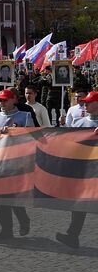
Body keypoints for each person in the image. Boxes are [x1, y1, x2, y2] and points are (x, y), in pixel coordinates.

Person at [0, 88, 32, 241]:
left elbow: (32, 137)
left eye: (5, 100)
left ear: (14, 100)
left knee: (13, 198)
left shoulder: (25, 116)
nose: (2, 102)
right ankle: (6, 229)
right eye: (0, 100)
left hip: (16, 163)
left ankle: (23, 219)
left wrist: (14, 132)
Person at [55, 91, 98, 247]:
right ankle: (72, 236)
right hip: (84, 171)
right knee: (80, 203)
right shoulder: (78, 123)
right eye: (84, 101)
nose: (84, 103)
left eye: (88, 102)